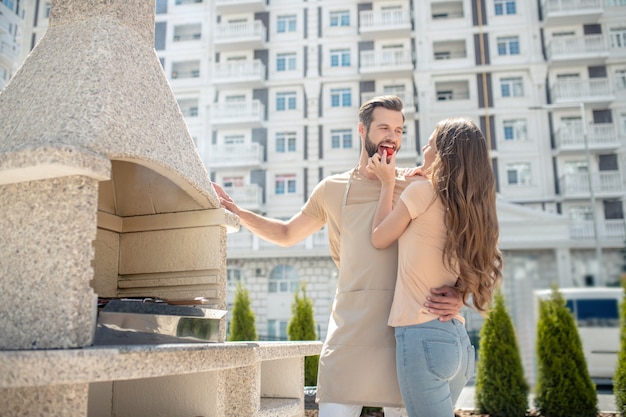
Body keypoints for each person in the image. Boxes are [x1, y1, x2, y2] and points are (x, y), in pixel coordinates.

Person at [213, 95, 463, 417]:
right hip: (350, 327)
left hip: (405, 329)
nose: (392, 137)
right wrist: (239, 213)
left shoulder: (415, 185)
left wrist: (459, 292)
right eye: (384, 127)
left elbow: (458, 246)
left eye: (399, 130)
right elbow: (288, 234)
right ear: (362, 130)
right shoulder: (331, 188)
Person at [367, 117, 503, 417]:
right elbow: (469, 267)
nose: (424, 148)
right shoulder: (468, 208)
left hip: (421, 337)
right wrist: (459, 294)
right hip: (458, 341)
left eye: (430, 143)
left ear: (443, 153)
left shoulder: (422, 193)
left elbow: (379, 238)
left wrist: (389, 183)